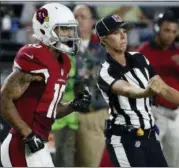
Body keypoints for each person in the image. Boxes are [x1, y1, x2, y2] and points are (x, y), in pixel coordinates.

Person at [95, 14, 179, 167]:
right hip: (125, 137)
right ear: (103, 40)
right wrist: (147, 92)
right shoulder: (106, 71)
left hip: (149, 135)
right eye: (115, 33)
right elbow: (127, 90)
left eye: (124, 32)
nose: (122, 36)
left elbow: (165, 89)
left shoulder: (140, 58)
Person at [0, 3, 91, 167]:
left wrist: (73, 106)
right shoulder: (35, 56)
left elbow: (48, 111)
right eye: (63, 29)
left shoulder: (64, 63)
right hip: (21, 145)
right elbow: (4, 99)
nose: (69, 33)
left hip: (38, 144)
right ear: (45, 29)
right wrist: (27, 133)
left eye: (70, 29)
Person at [137, 11, 179, 167]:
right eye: (167, 30)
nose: (170, 35)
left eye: (174, 32)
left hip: (177, 114)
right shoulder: (143, 52)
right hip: (153, 111)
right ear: (157, 29)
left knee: (175, 162)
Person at [72, 5, 110, 167]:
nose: (78, 20)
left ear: (92, 21)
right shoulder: (60, 45)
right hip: (64, 115)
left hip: (92, 113)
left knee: (90, 163)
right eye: (75, 17)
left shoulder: (104, 47)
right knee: (63, 162)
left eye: (83, 17)